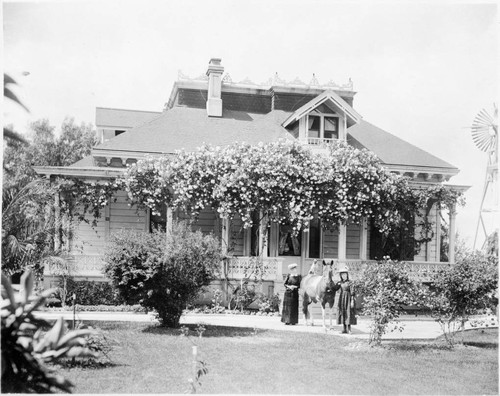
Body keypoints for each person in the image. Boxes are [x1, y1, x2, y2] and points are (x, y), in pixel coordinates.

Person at [336, 265, 356, 334]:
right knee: (343, 312)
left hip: (348, 298)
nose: (343, 276)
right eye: (342, 275)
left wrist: (352, 301)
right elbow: (335, 288)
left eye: (345, 274)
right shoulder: (340, 283)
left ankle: (349, 329)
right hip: (342, 298)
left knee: (348, 312)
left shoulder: (350, 282)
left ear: (347, 275)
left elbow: (352, 292)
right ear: (341, 276)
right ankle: (344, 329)